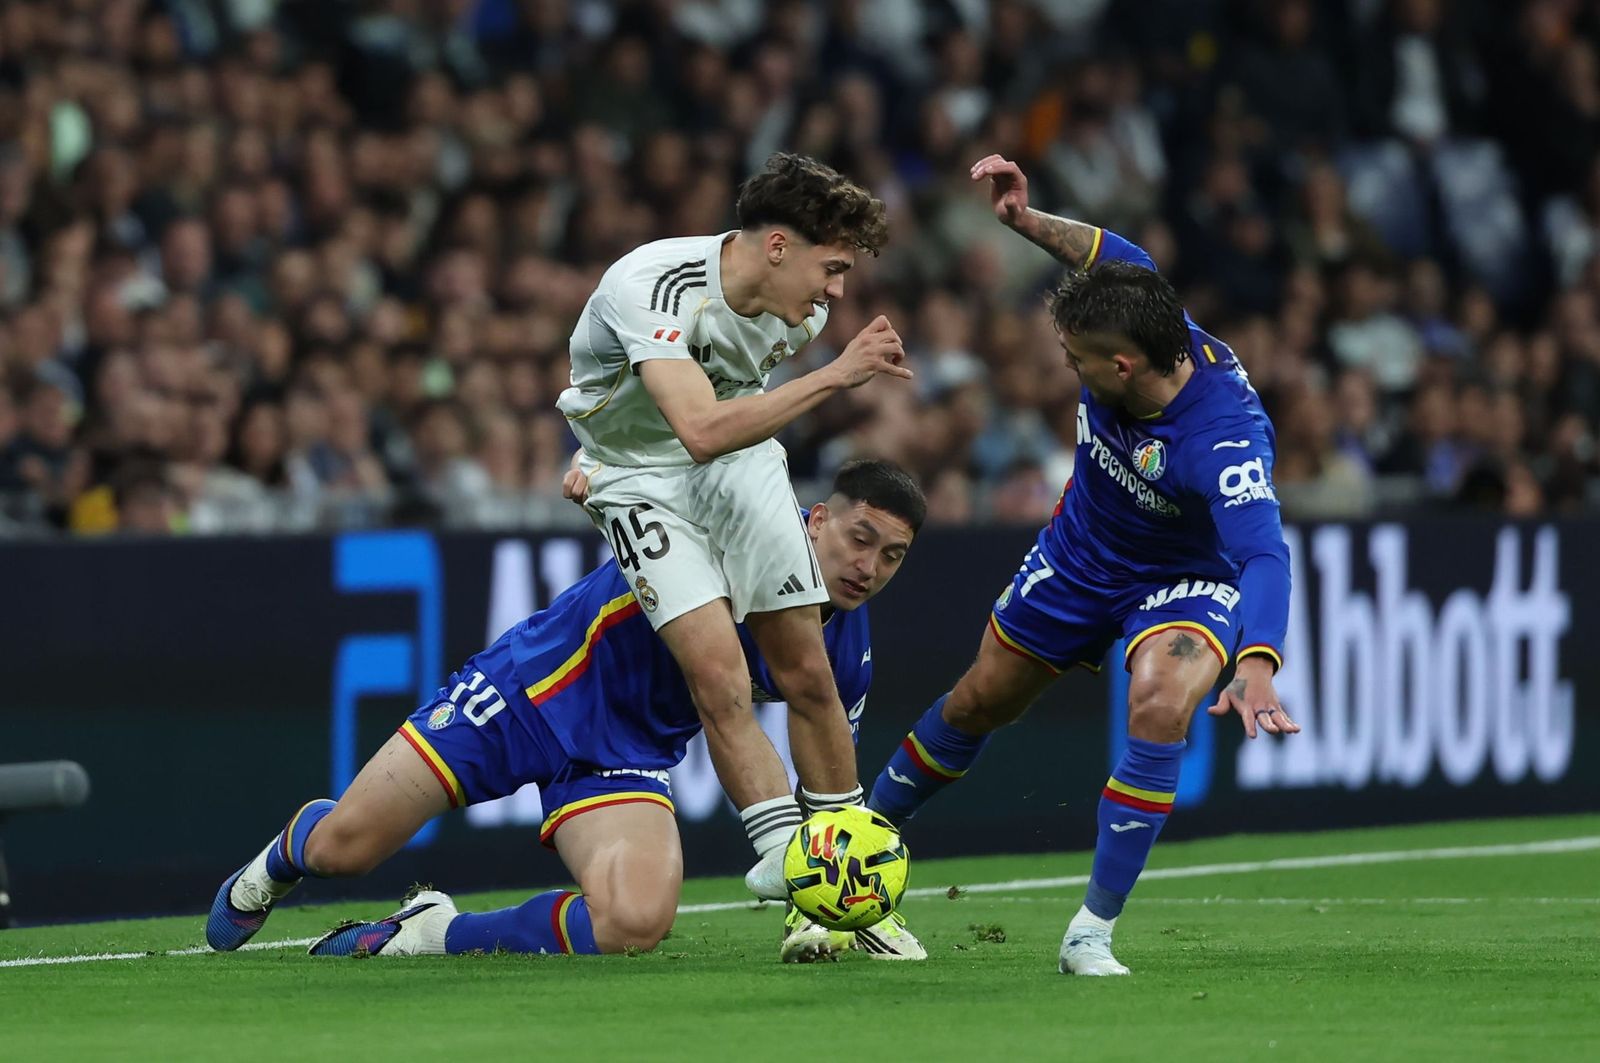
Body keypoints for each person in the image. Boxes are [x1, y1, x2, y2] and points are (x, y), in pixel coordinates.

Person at [206, 461, 928, 963]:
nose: (868, 566)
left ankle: (430, 932)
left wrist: (840, 897)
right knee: (345, 849)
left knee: (635, 921)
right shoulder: (738, 531)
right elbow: (652, 476)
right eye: (859, 539)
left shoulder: (844, 654)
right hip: (526, 692)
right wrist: (600, 475)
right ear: (817, 517)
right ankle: (284, 854)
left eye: (892, 556)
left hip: (627, 750)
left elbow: (829, 793)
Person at [863, 155, 1298, 977]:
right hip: (1081, 551)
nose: (1069, 370)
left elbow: (1264, 553)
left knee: (1162, 701)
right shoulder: (1141, 304)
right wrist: (1025, 220)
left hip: (1182, 575)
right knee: (979, 700)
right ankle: (853, 841)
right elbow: (1108, 249)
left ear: (1124, 367)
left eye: (1077, 361)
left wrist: (1259, 657)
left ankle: (1090, 930)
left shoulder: (1223, 442)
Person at [559, 152, 910, 894]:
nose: (836, 291)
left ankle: (849, 877)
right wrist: (838, 375)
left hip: (735, 458)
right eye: (833, 266)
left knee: (810, 672)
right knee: (717, 672)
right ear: (778, 247)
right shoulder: (651, 285)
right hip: (639, 475)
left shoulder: (801, 312)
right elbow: (698, 427)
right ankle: (793, 866)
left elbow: (730, 421)